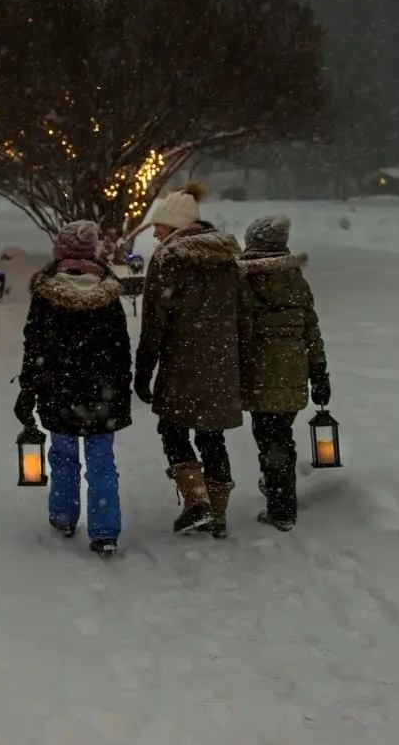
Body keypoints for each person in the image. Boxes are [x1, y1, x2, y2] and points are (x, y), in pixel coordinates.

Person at [133, 183, 252, 537]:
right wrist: (239, 360)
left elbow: (155, 322)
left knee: (172, 429)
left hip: (182, 362)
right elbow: (244, 315)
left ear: (176, 226)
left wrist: (143, 370)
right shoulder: (228, 261)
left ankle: (197, 501)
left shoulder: (168, 260)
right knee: (211, 435)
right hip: (221, 363)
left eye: (160, 227)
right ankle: (217, 513)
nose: (155, 233)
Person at [15, 220, 133, 556]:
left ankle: (64, 515)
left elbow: (34, 344)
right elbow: (119, 345)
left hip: (59, 387)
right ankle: (105, 530)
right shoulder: (107, 292)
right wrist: (121, 383)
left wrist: (29, 387)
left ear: (61, 251)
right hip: (102, 389)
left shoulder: (47, 292)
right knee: (101, 460)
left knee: (63, 455)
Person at [237, 215, 329, 532]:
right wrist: (318, 372)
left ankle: (281, 506)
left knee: (269, 437)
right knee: (280, 434)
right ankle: (278, 489)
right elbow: (311, 330)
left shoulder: (243, 281)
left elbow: (237, 330)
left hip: (259, 370)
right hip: (292, 369)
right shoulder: (295, 280)